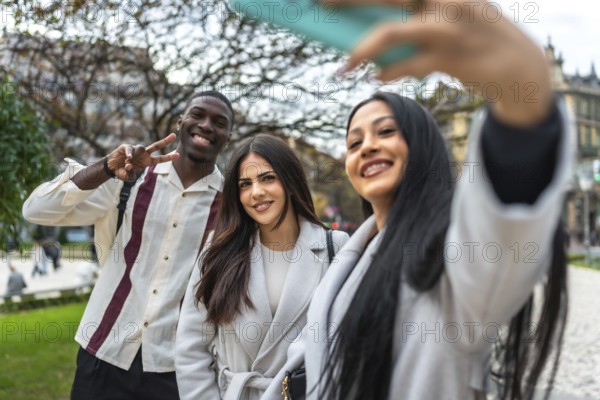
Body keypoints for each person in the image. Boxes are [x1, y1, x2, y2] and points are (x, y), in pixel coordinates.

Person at [266, 1, 573, 399]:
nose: (368, 147)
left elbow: (505, 212)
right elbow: (305, 361)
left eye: (386, 131)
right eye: (355, 142)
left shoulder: (451, 254)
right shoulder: (348, 261)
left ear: (423, 146)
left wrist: (522, 83)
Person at [22, 90, 235, 400]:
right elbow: (35, 210)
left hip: (176, 369)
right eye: (198, 115)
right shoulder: (129, 178)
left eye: (219, 122)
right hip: (103, 355)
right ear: (181, 122)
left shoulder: (231, 207)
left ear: (227, 137)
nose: (206, 125)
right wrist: (106, 167)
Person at [175, 134, 349, 400]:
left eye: (267, 178)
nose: (256, 192)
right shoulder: (218, 251)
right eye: (245, 184)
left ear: (290, 181)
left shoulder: (336, 248)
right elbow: (191, 348)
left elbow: (348, 344)